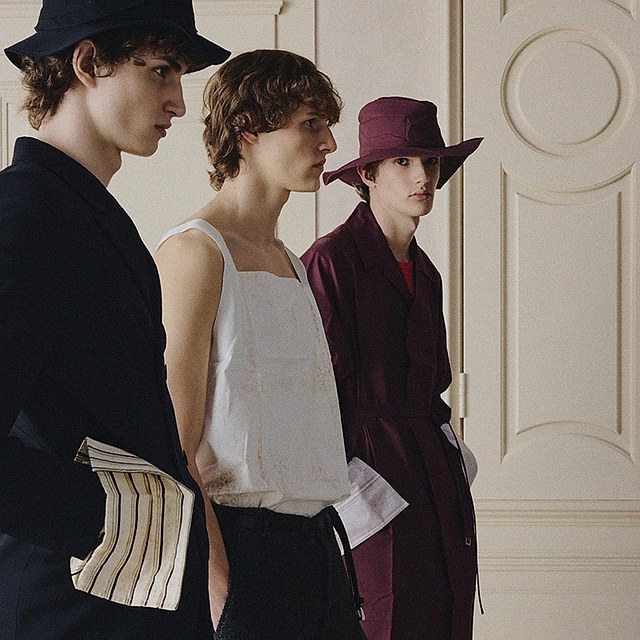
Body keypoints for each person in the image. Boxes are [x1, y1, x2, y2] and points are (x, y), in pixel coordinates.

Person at [0, 1, 230, 638]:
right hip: (70, 608)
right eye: (160, 70)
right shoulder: (26, 214)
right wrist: (119, 518)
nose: (178, 101)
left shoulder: (81, 212)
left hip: (124, 604)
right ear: (87, 62)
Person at [154, 49, 366, 640]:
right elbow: (173, 441)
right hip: (239, 549)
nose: (328, 143)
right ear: (247, 130)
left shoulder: (290, 262)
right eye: (310, 124)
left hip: (318, 547)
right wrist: (216, 573)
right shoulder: (195, 253)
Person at [301, 96, 483, 640]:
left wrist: (453, 459)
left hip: (433, 474)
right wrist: (352, 490)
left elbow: (433, 384)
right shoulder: (330, 262)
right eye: (403, 162)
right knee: (384, 620)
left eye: (430, 162)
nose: (422, 176)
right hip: (367, 474)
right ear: (368, 175)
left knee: (446, 613)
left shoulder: (425, 272)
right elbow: (310, 397)